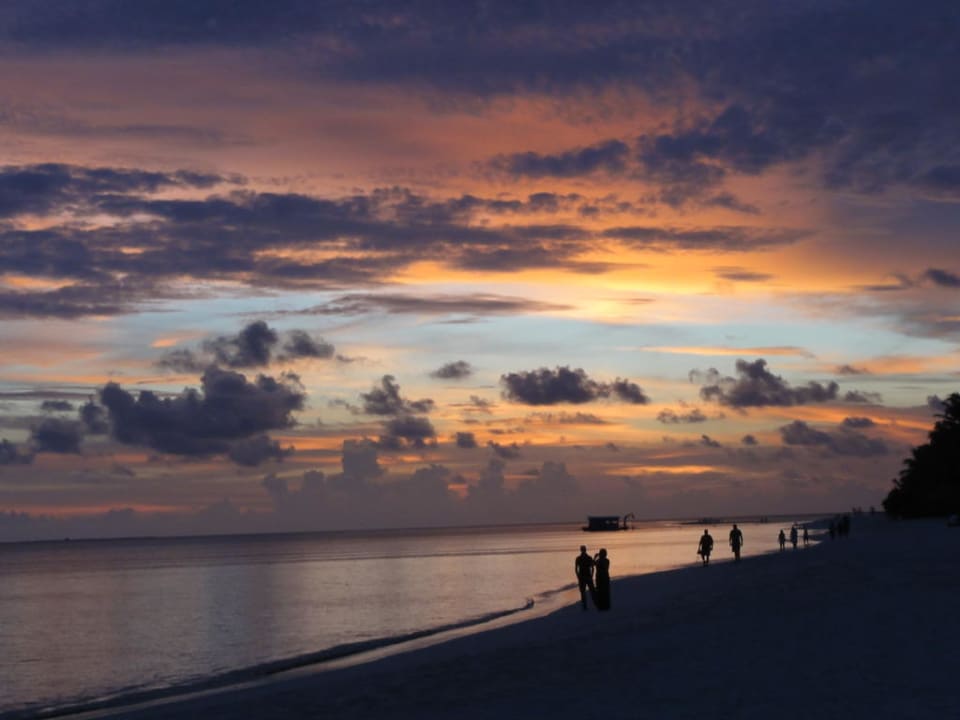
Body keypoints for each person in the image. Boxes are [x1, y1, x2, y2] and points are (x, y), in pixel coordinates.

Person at [574, 545, 596, 610]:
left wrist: (578, 576)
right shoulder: (585, 558)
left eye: (583, 549)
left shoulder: (580, 558)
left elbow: (592, 567)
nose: (583, 551)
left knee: (588, 592)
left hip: (584, 577)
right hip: (585, 577)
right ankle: (587, 606)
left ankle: (586, 606)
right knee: (588, 592)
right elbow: (592, 567)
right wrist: (591, 575)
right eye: (583, 549)